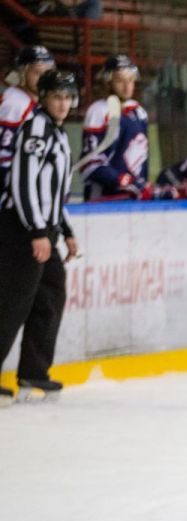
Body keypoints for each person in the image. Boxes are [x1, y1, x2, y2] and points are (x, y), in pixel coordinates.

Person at [0, 70, 79, 406]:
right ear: (44, 98)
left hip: (43, 230)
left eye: (68, 97)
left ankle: (34, 371)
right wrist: (36, 231)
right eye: (57, 97)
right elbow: (23, 182)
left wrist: (65, 230)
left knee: (50, 297)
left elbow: (53, 191)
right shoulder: (35, 128)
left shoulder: (56, 133)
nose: (63, 103)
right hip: (21, 229)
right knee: (12, 303)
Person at [79, 54, 152, 201]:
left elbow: (142, 160)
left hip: (134, 200)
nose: (127, 86)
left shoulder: (139, 112)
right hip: (104, 201)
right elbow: (89, 164)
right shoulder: (99, 111)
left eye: (130, 80)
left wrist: (142, 186)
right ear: (108, 82)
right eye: (120, 80)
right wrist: (122, 180)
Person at [1, 46, 56, 202]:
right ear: (22, 73)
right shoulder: (15, 103)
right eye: (37, 72)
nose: (44, 78)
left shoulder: (33, 103)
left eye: (48, 72)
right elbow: (4, 158)